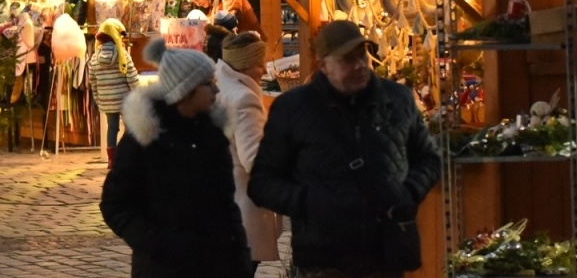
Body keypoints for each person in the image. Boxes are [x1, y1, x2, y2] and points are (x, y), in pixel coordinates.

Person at [249, 21, 441, 278]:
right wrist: (309, 202)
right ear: (323, 64)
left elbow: (429, 159)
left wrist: (406, 192)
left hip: (385, 252)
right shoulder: (293, 109)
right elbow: (262, 183)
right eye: (347, 60)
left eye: (362, 55)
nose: (360, 65)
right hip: (324, 258)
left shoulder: (397, 100)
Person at [101, 37, 253, 278]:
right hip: (162, 269)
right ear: (186, 90)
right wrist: (158, 244)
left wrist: (241, 261)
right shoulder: (144, 138)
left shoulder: (212, 135)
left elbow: (226, 206)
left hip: (216, 267)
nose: (216, 89)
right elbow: (115, 204)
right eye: (208, 83)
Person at [216, 33, 282, 267]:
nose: (264, 70)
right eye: (259, 64)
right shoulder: (244, 98)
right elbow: (253, 158)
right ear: (245, 65)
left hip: (223, 199)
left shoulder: (220, 86)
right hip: (244, 203)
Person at [87, 18, 139, 167]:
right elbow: (131, 76)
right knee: (130, 127)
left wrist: (99, 99)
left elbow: (93, 81)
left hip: (106, 100)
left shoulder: (95, 58)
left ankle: (111, 159)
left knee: (112, 128)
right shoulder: (122, 54)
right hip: (124, 99)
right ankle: (126, 155)